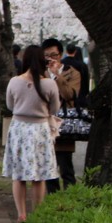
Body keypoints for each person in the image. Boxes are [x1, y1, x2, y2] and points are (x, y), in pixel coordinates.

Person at [3, 45, 61, 223]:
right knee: (39, 175)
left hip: (19, 128)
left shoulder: (14, 81)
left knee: (18, 176)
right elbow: (55, 108)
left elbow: (10, 105)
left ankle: (21, 214)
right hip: (40, 130)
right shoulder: (49, 83)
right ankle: (37, 213)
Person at [41, 38, 82, 191]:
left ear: (61, 54)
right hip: (45, 122)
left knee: (66, 167)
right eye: (47, 56)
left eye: (54, 55)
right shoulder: (40, 73)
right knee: (48, 168)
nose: (51, 59)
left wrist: (57, 76)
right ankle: (52, 200)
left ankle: (69, 200)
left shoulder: (72, 73)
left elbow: (70, 95)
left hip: (64, 123)